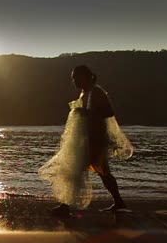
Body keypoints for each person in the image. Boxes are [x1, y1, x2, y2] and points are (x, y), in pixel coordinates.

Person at [39, 65, 133, 216]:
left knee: (79, 170)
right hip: (87, 139)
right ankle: (118, 201)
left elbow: (109, 112)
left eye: (76, 78)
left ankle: (65, 207)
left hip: (96, 139)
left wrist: (86, 112)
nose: (74, 81)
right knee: (86, 171)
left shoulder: (96, 92)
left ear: (86, 77)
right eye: (73, 79)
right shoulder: (85, 93)